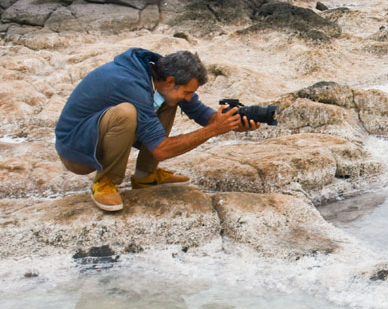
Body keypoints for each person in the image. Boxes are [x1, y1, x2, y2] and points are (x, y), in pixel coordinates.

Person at [55, 48, 259, 211]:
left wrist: (232, 122)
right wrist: (213, 130)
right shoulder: (131, 84)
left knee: (169, 101)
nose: (189, 97)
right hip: (77, 153)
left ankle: (145, 176)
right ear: (171, 81)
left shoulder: (159, 75)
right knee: (127, 113)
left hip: (99, 134)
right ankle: (105, 182)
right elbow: (161, 149)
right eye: (187, 92)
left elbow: (200, 113)